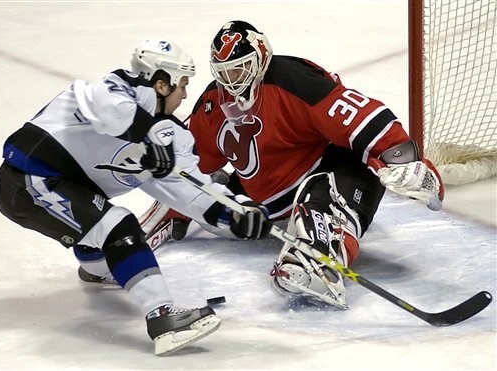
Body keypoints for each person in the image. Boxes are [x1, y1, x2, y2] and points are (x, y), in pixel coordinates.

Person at [0, 37, 272, 356]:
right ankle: (163, 321)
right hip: (26, 181)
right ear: (161, 83)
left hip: (67, 189)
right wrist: (147, 135)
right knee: (120, 226)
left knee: (113, 236)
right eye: (181, 85)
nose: (185, 94)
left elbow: (189, 188)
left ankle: (95, 266)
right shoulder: (115, 88)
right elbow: (108, 109)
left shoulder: (171, 137)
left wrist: (235, 212)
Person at [143, 21, 444, 309]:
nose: (234, 80)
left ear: (261, 55)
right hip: (265, 200)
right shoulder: (212, 103)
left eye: (241, 68)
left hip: (324, 172)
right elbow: (194, 161)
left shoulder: (294, 81)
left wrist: (406, 159)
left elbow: (361, 117)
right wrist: (175, 203)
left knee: (340, 179)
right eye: (226, 72)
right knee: (201, 190)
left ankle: (322, 261)